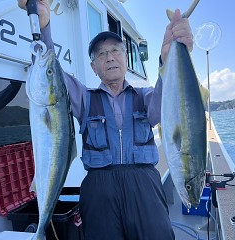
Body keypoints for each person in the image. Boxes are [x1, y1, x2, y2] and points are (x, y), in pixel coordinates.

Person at [18, 1, 193, 239]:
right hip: (98, 188)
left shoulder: (145, 96)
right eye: (101, 54)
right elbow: (51, 73)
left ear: (125, 58)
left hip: (145, 185)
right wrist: (44, 24)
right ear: (93, 67)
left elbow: (167, 103)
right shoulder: (84, 98)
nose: (109, 58)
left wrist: (169, 58)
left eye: (115, 51)